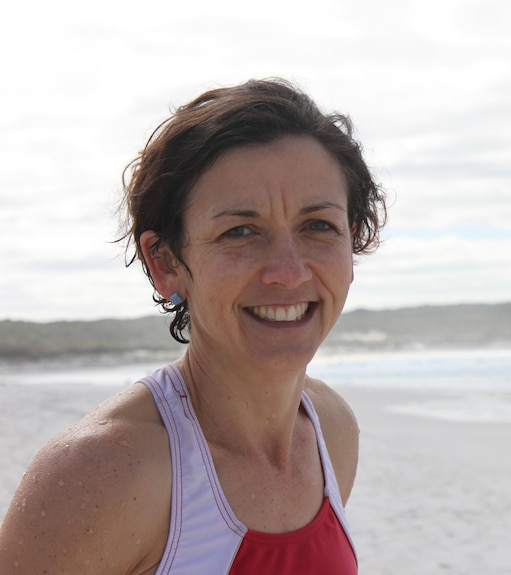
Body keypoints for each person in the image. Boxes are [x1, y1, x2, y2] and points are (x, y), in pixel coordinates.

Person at [0, 78, 386, 574]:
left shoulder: (330, 431)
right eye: (239, 232)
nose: (289, 271)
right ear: (166, 263)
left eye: (318, 226)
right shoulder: (105, 473)